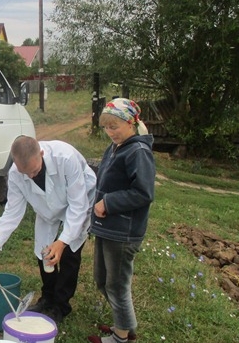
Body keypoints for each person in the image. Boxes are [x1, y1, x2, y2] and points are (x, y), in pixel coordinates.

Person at [0, 135, 96, 324]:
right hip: (47, 207)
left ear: (42, 153)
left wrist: (62, 242)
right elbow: (13, 210)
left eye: (34, 171)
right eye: (25, 173)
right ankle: (47, 298)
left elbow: (78, 206)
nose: (30, 176)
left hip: (78, 199)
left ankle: (60, 305)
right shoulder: (15, 173)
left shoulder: (65, 158)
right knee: (43, 251)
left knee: (70, 251)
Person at [88, 98, 156, 343]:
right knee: (102, 280)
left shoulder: (137, 151)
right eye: (106, 127)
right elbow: (108, 174)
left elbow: (144, 193)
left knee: (116, 285)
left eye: (114, 127)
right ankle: (125, 324)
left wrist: (108, 203)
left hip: (123, 231)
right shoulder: (116, 147)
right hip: (108, 228)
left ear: (131, 123)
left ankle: (121, 337)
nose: (110, 132)